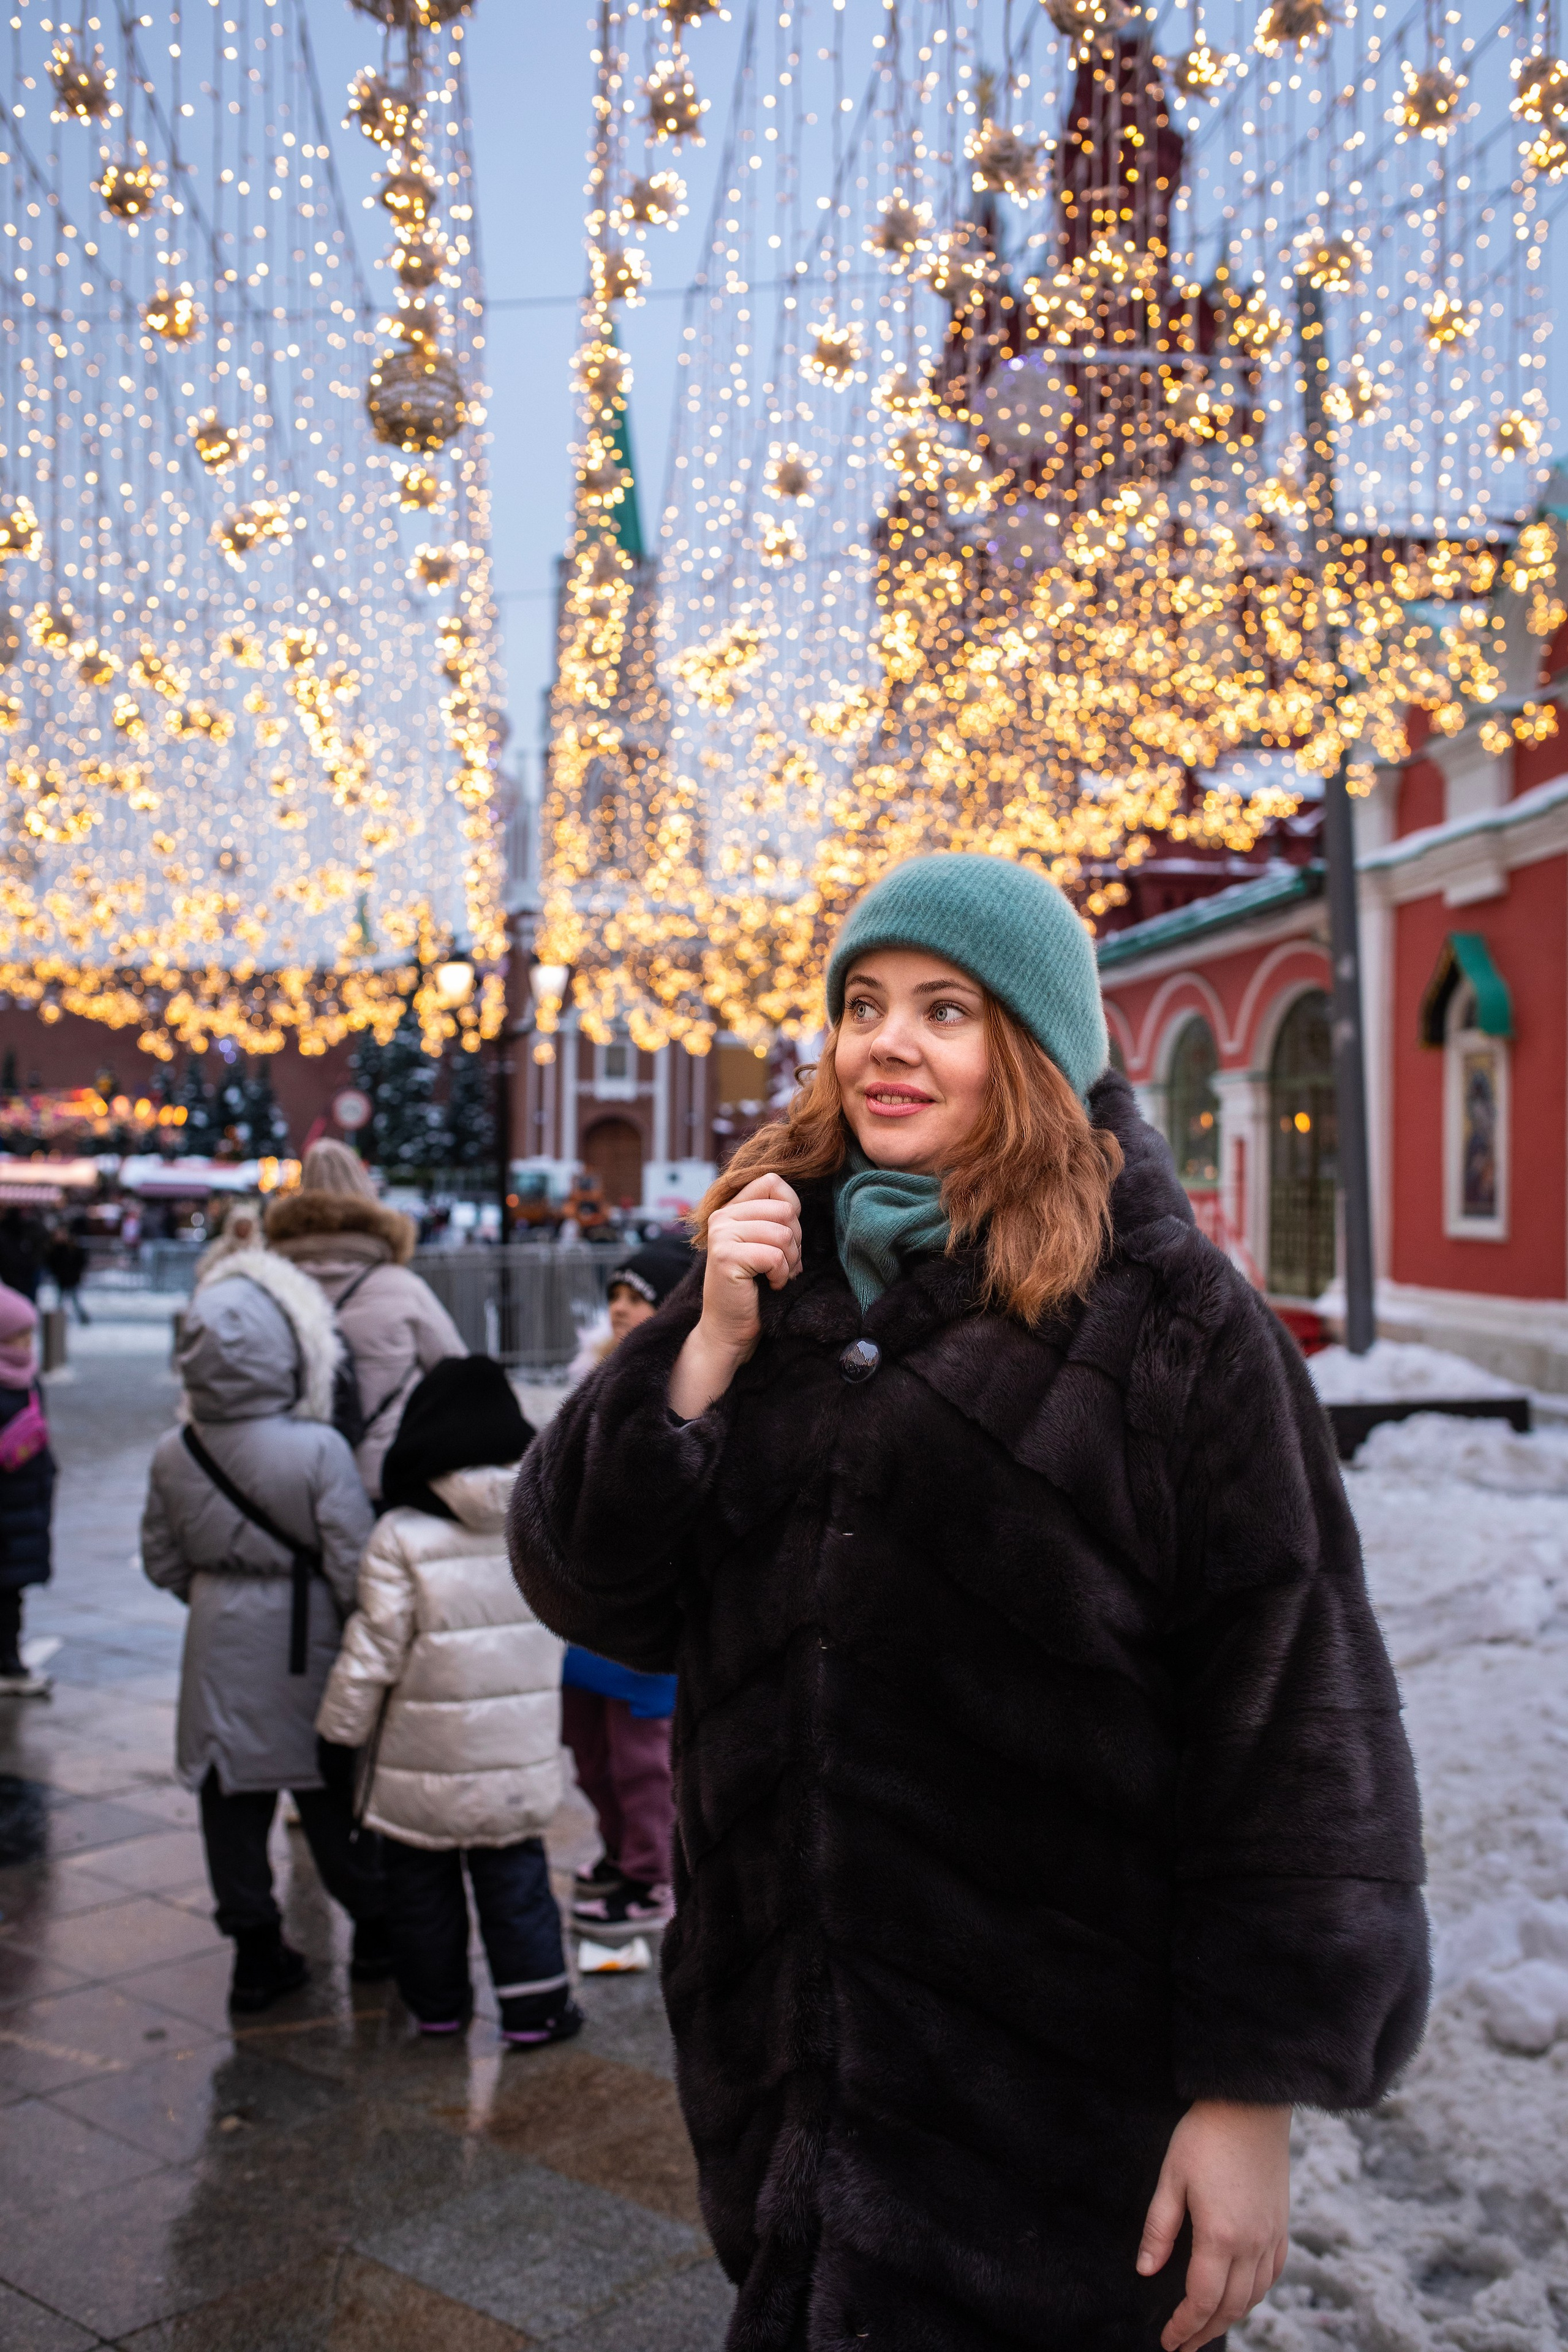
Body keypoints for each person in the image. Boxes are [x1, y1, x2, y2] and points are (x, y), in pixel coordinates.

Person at [511, 852, 1430, 2352]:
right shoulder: (769, 1268)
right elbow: (586, 1589)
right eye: (862, 1002)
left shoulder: (1171, 1323)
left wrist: (1251, 2088)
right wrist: (690, 1359)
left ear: (1034, 1044)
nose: (887, 1040)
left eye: (945, 1007)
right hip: (780, 2087)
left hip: (1052, 2118)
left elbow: (1290, 1716)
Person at [141, 1245, 388, 2013]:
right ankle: (376, 1932)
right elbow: (353, 1560)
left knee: (230, 1803)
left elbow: (160, 1560)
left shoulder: (174, 1452)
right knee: (327, 1795)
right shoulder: (317, 1447)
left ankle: (255, 1950)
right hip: (306, 1639)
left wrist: (217, 1595)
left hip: (216, 1642)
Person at [316, 1355, 580, 2046]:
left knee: (419, 1888)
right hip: (515, 1756)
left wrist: (337, 1736)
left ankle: (436, 2007)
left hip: (416, 1763)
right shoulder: (540, 1519)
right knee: (517, 1882)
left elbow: (371, 1652)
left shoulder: (399, 1534)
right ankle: (537, 2009)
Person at [560, 1242, 693, 1936]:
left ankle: (652, 1878)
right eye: (615, 1295)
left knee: (642, 1760)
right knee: (589, 1750)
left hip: (645, 1608)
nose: (620, 1308)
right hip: (588, 1606)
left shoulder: (686, 1380)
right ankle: (620, 1850)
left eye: (637, 1297)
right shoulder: (591, 1374)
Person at [264, 1139, 465, 1503]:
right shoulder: (402, 1288)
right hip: (384, 1477)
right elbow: (457, 1374)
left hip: (290, 1485)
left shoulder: (266, 1290)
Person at [0, 1281, 55, 1699]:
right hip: (7, 1504)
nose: (25, 1344)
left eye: (28, 1335)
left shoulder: (30, 1380)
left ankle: (10, 1659)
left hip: (26, 1503)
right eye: (17, 1336)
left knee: (11, 1593)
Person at [45, 1223, 90, 1326]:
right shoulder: (55, 1249)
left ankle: (83, 1319)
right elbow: (52, 1263)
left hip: (72, 1279)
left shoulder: (72, 1247)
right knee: (61, 1302)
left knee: (75, 1301)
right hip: (62, 1279)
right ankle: (58, 1321)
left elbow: (81, 1261)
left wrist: (77, 1273)